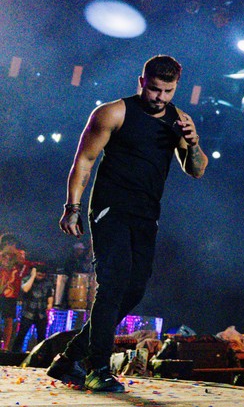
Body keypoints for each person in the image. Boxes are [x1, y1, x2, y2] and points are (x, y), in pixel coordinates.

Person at [45, 55, 208, 392]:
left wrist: (192, 143)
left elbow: (196, 169)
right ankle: (98, 367)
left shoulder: (179, 120)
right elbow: (85, 161)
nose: (160, 97)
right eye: (154, 89)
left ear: (176, 88)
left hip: (146, 215)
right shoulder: (113, 112)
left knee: (133, 290)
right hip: (110, 209)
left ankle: (68, 359)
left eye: (168, 90)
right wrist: (71, 206)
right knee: (114, 284)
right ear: (141, 82)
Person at [11, 262, 55, 352]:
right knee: (21, 334)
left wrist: (50, 304)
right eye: (39, 274)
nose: (41, 275)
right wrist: (32, 276)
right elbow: (25, 289)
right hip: (28, 312)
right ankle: (15, 353)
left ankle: (40, 355)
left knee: (41, 336)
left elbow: (50, 295)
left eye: (42, 274)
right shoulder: (26, 279)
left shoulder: (47, 283)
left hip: (41, 313)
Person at [0, 234, 26, 351]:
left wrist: (13, 251)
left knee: (8, 319)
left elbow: (23, 263)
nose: (9, 245)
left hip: (10, 292)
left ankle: (5, 347)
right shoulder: (1, 254)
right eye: (7, 243)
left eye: (12, 243)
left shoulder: (19, 253)